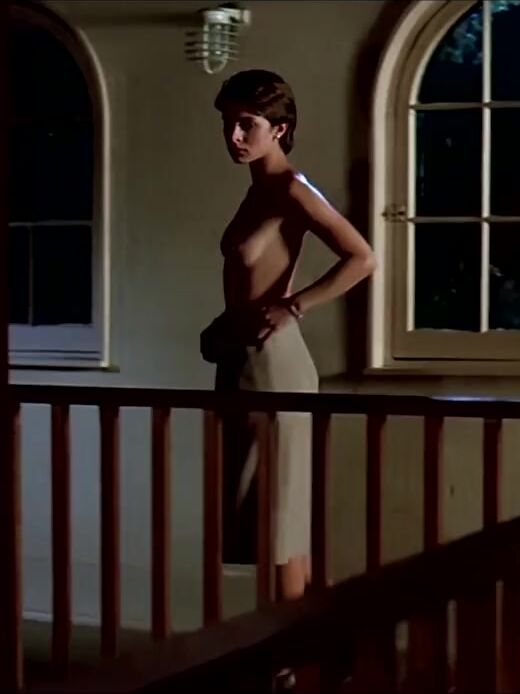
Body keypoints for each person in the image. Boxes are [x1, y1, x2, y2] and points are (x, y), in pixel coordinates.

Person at [200, 69, 375, 605]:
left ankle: (292, 647)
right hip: (242, 363)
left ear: (279, 129)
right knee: (267, 521)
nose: (233, 136)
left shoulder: (292, 189)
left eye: (247, 124)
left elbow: (362, 257)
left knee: (280, 523)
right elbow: (247, 281)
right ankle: (307, 641)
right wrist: (224, 328)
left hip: (275, 367)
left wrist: (293, 306)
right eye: (228, 123)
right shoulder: (257, 191)